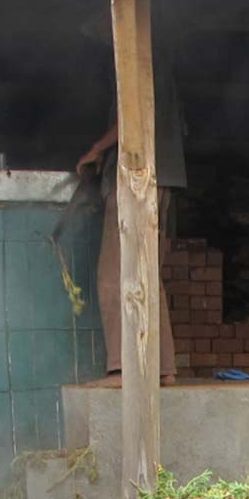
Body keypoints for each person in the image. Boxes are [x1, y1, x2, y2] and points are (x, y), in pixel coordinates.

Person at [77, 39, 187, 383]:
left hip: (136, 179)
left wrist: (97, 149)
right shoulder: (161, 66)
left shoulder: (135, 61)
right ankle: (165, 369)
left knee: (112, 276)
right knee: (148, 275)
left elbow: (133, 118)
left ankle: (121, 367)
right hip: (163, 177)